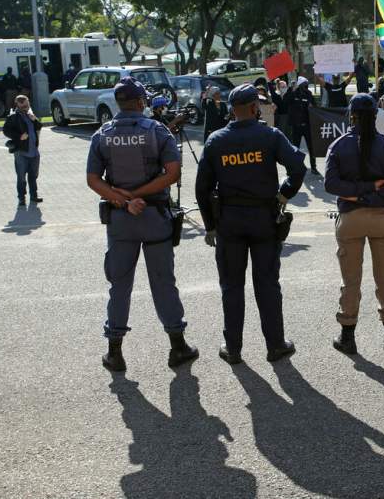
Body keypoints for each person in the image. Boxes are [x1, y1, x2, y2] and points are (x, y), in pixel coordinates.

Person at [86, 77, 198, 371]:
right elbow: (173, 173)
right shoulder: (157, 131)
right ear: (139, 102)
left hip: (121, 219)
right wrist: (139, 195)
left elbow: (93, 180)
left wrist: (124, 199)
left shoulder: (103, 134)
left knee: (119, 286)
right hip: (154, 217)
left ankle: (115, 352)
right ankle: (178, 347)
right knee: (163, 282)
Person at [195, 84, 307, 365]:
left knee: (232, 287)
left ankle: (233, 348)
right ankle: (275, 345)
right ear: (255, 108)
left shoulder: (216, 140)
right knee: (267, 284)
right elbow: (298, 168)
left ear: (232, 109)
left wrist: (210, 225)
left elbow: (202, 188)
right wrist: (284, 193)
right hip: (263, 220)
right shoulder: (270, 135)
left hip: (229, 221)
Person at [324, 93, 384, 354]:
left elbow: (331, 185)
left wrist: (358, 194)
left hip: (350, 218)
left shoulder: (338, 146)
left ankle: (347, 336)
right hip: (382, 217)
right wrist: (372, 190)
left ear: (351, 115)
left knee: (351, 280)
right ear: (375, 116)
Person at [3, 95, 44, 207]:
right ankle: (21, 198)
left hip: (34, 152)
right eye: (24, 105)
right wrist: (19, 136)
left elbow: (39, 126)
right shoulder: (13, 117)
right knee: (21, 177)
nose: (26, 107)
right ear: (18, 105)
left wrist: (34, 119)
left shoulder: (30, 114)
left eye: (27, 104)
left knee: (33, 176)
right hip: (21, 152)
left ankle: (34, 196)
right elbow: (6, 131)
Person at [283, 76, 319, 174]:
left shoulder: (309, 94)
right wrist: (290, 89)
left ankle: (314, 167)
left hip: (307, 125)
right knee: (295, 148)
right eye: (304, 85)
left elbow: (315, 108)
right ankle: (294, 167)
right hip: (296, 126)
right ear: (300, 85)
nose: (305, 87)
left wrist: (313, 107)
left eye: (306, 85)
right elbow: (285, 101)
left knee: (312, 147)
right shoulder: (293, 93)